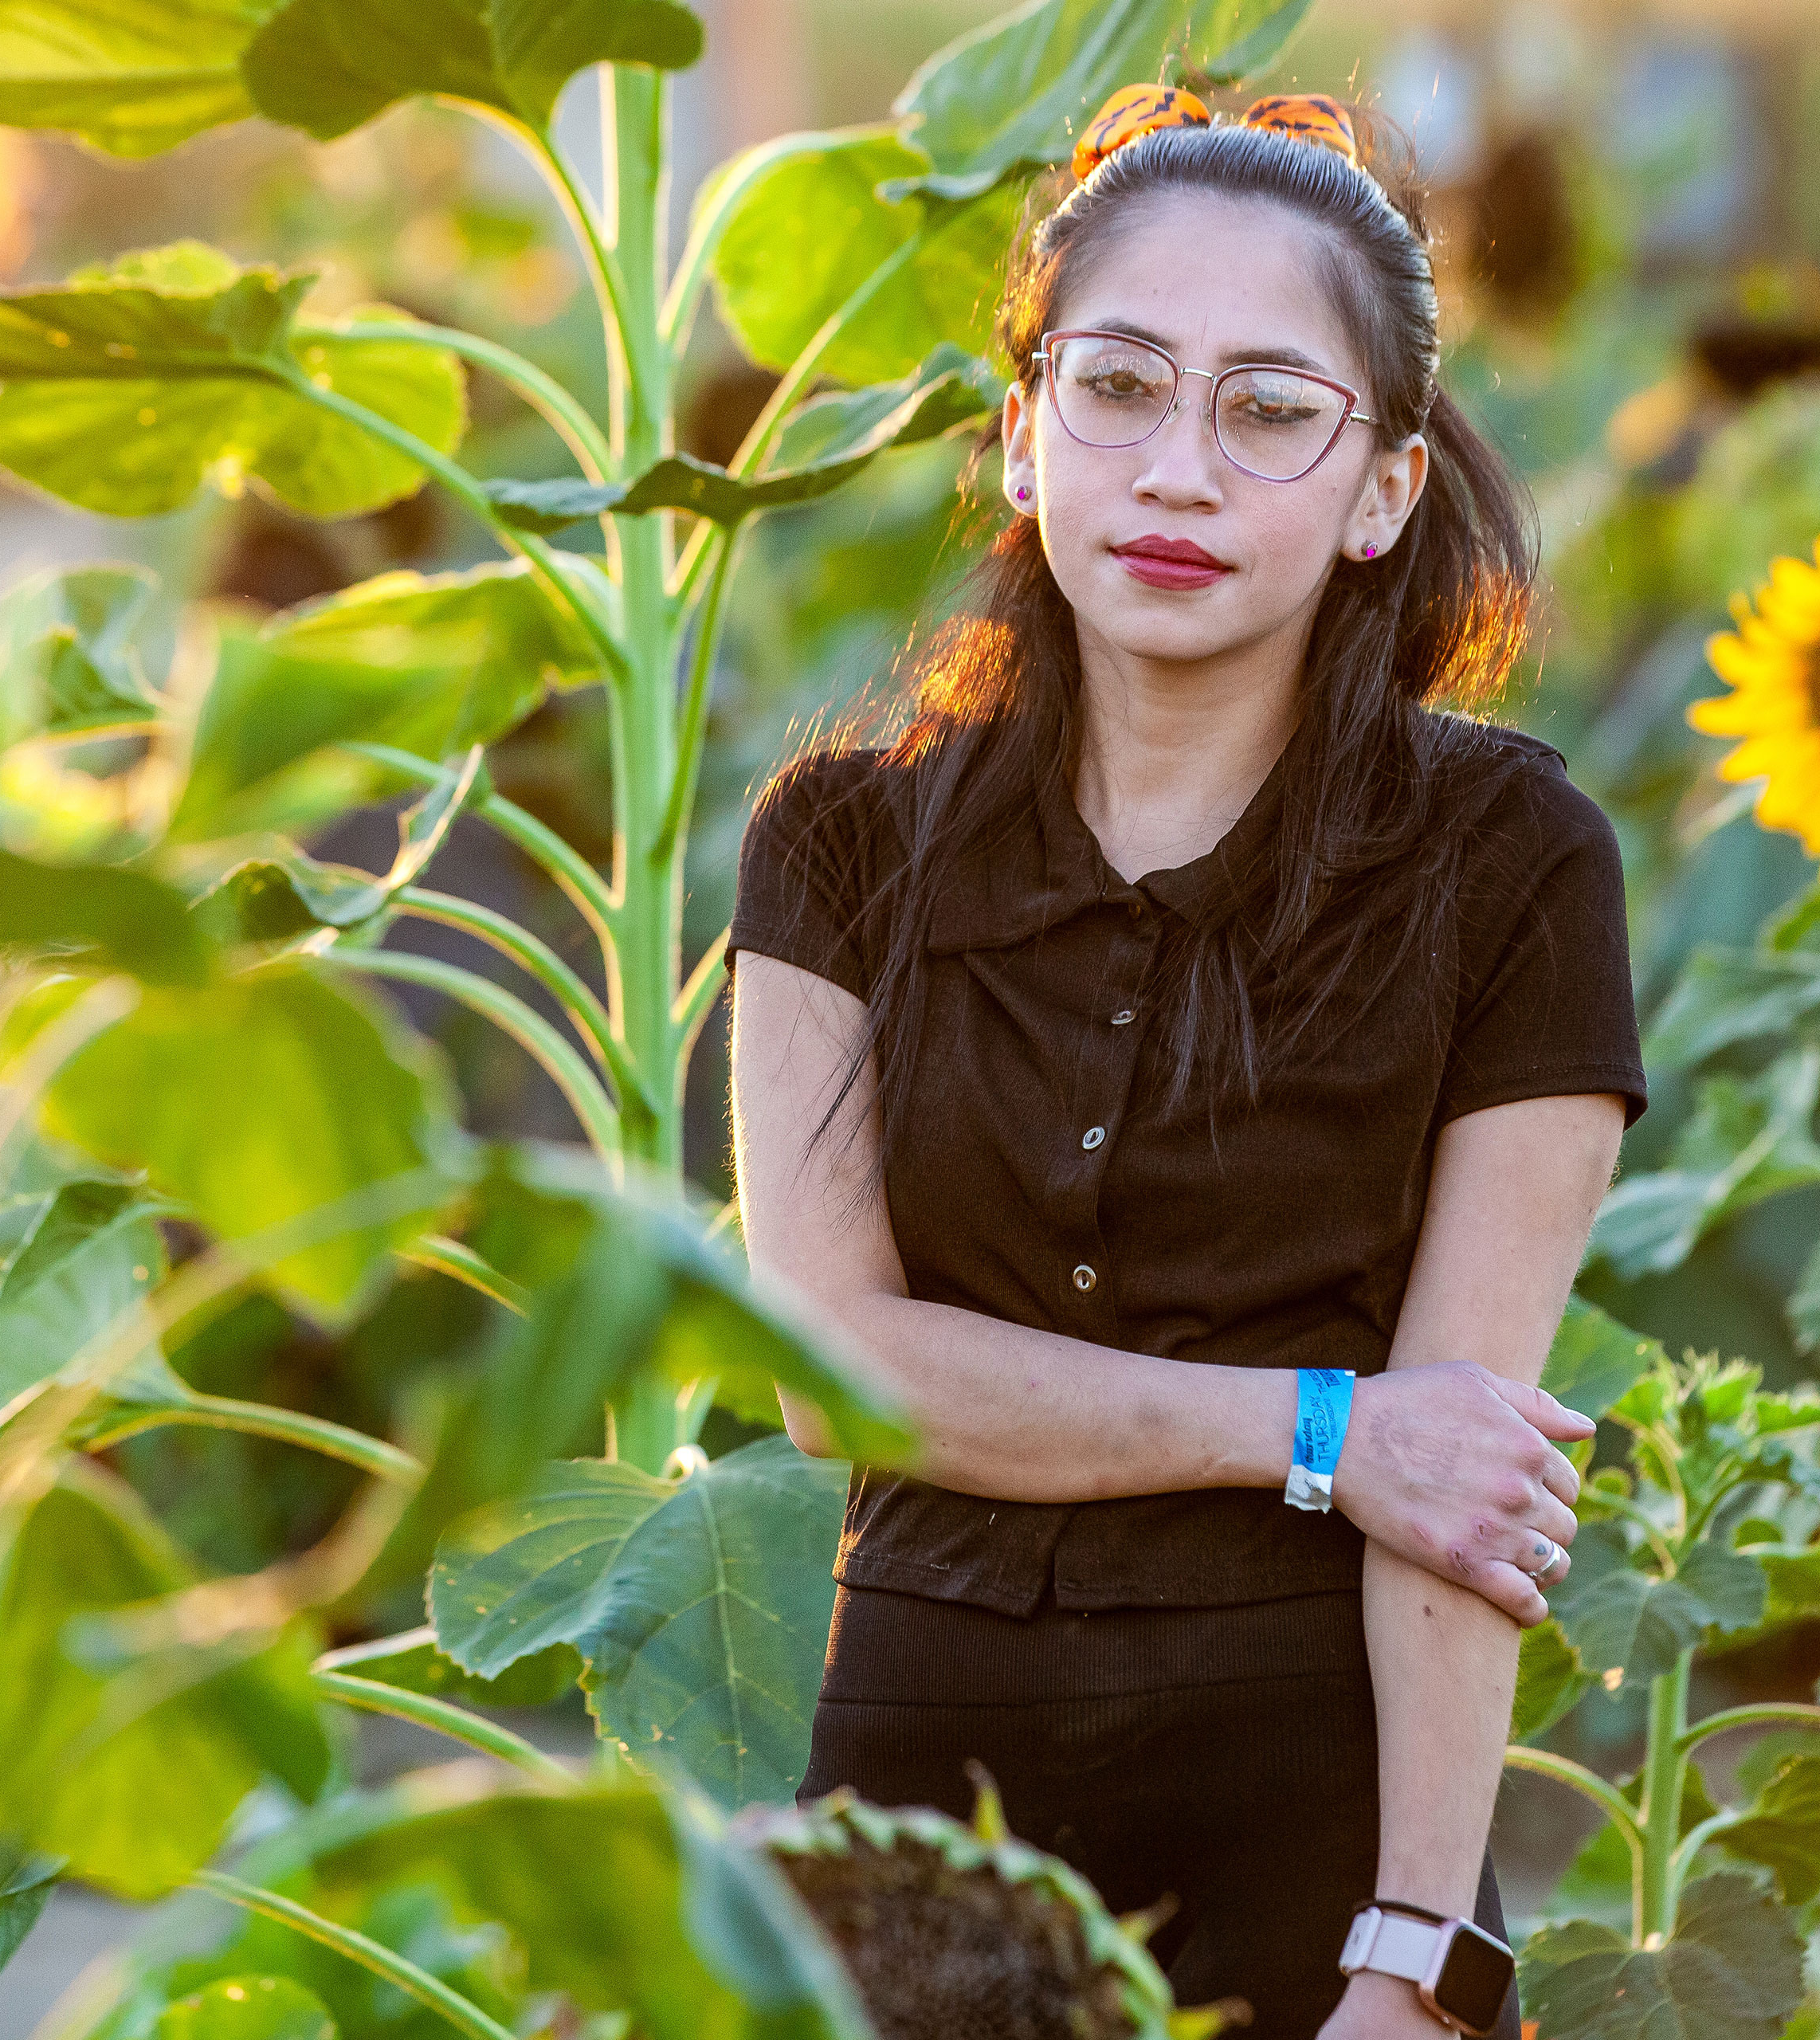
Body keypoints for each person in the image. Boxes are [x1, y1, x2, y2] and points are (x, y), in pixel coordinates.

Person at [725, 84, 1646, 2040]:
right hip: (913, 1828)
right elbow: (837, 1370)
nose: (1176, 469)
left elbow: (1461, 1476)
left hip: (1314, 1820)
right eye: (1118, 384)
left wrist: (1416, 1950)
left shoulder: (1507, 863)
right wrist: (1324, 1431)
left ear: (1382, 485)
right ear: (1016, 432)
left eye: (1264, 409)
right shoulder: (833, 840)